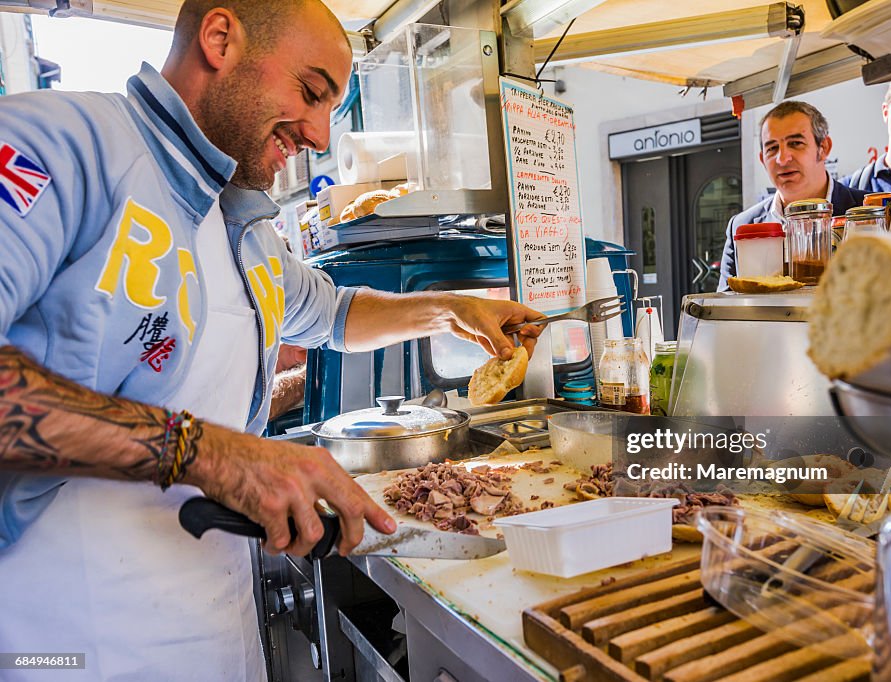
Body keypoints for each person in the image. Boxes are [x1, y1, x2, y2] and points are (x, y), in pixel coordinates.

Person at [0, 1, 543, 679]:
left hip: (214, 628)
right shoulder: (59, 142)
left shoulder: (245, 224)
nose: (318, 133)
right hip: (66, 638)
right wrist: (209, 453)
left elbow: (333, 312)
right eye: (311, 92)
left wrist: (450, 310)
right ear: (221, 37)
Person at [718, 101, 866, 290]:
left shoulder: (868, 212)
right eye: (772, 148)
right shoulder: (742, 226)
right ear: (762, 159)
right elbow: (725, 309)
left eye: (796, 143)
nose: (782, 159)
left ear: (824, 148)